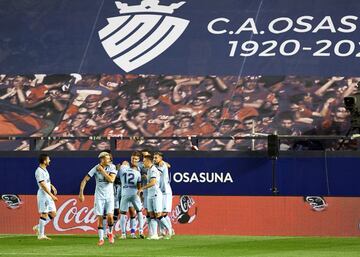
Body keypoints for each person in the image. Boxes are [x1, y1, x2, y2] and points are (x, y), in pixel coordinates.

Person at [78, 152, 117, 246]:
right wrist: (81, 193)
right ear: (102, 159)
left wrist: (102, 171)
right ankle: (101, 239)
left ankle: (110, 233)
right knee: (99, 217)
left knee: (110, 217)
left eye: (109, 158)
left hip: (109, 196)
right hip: (99, 196)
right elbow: (85, 180)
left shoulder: (112, 167)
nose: (109, 160)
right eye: (107, 158)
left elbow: (111, 180)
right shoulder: (96, 168)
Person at [137, 155, 172, 239]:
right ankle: (154, 235)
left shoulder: (153, 170)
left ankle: (169, 230)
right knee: (151, 215)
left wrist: (142, 188)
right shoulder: (149, 170)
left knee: (158, 215)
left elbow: (153, 182)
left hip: (156, 194)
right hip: (150, 194)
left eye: (144, 161)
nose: (143, 163)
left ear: (149, 161)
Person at [118, 151, 145, 239]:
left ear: (139, 160)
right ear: (131, 158)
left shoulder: (124, 167)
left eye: (136, 159)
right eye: (133, 158)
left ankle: (132, 232)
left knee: (131, 212)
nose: (134, 160)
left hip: (126, 192)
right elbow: (139, 184)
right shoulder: (134, 169)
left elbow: (117, 178)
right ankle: (139, 231)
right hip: (134, 192)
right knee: (137, 211)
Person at [33, 153, 58, 240]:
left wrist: (52, 186)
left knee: (54, 213)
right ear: (44, 161)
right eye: (48, 159)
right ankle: (41, 235)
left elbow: (46, 181)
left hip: (48, 195)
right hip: (43, 195)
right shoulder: (39, 171)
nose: (49, 160)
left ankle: (38, 227)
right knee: (44, 213)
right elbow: (42, 185)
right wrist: (51, 195)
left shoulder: (45, 170)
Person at [153, 152, 173, 237]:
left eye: (156, 157)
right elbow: (169, 165)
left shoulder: (161, 164)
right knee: (159, 213)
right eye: (153, 157)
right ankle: (162, 232)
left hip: (166, 192)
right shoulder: (159, 164)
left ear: (161, 158)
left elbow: (158, 173)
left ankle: (170, 230)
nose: (154, 159)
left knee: (163, 214)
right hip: (160, 192)